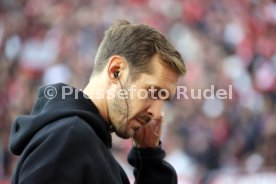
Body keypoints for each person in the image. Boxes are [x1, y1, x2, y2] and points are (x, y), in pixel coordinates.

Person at [9, 20, 186, 184]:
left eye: (164, 99)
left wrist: (150, 159)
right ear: (116, 71)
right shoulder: (69, 139)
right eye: (152, 92)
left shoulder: (85, 142)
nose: (156, 113)